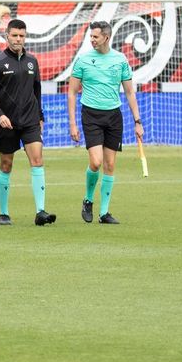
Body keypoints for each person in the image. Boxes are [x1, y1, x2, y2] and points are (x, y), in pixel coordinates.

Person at [66, 21, 143, 225]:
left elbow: (129, 92)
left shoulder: (120, 60)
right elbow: (72, 92)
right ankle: (88, 199)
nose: (92, 39)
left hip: (113, 116)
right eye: (91, 36)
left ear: (106, 38)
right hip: (91, 115)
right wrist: (72, 123)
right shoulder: (83, 60)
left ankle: (104, 213)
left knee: (110, 165)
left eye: (95, 37)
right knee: (96, 162)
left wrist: (138, 121)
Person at [0, 18, 55, 225]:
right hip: (7, 122)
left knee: (37, 160)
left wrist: (40, 115)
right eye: (14, 35)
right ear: (7, 36)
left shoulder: (32, 61)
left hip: (31, 120)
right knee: (6, 164)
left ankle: (41, 211)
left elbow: (37, 90)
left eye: (22, 36)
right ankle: (4, 213)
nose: (18, 39)